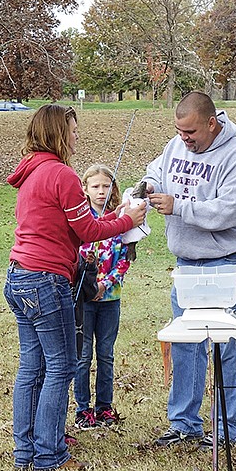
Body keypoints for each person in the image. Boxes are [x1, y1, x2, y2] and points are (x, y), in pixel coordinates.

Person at [3, 105, 146, 471]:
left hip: (18, 276)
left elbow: (80, 224)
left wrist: (117, 217)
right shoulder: (61, 174)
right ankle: (49, 455)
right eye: (73, 130)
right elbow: (88, 231)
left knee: (31, 366)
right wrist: (128, 219)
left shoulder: (31, 172)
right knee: (62, 366)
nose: (77, 137)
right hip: (46, 281)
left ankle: (25, 453)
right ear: (57, 133)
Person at [143, 91, 236, 448]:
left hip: (229, 261)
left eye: (190, 132)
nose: (184, 139)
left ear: (212, 123)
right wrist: (150, 185)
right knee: (186, 342)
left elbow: (228, 212)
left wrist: (179, 207)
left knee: (229, 346)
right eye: (179, 132)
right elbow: (157, 170)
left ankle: (229, 429)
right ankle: (184, 424)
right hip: (186, 263)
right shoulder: (176, 146)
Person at [74, 164, 132, 430]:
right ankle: (82, 408)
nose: (100, 191)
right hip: (84, 300)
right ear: (84, 189)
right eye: (95, 186)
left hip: (110, 299)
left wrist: (105, 284)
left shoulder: (119, 221)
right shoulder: (80, 220)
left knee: (105, 353)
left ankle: (104, 407)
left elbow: (125, 260)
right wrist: (90, 287)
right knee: (83, 355)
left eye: (105, 186)